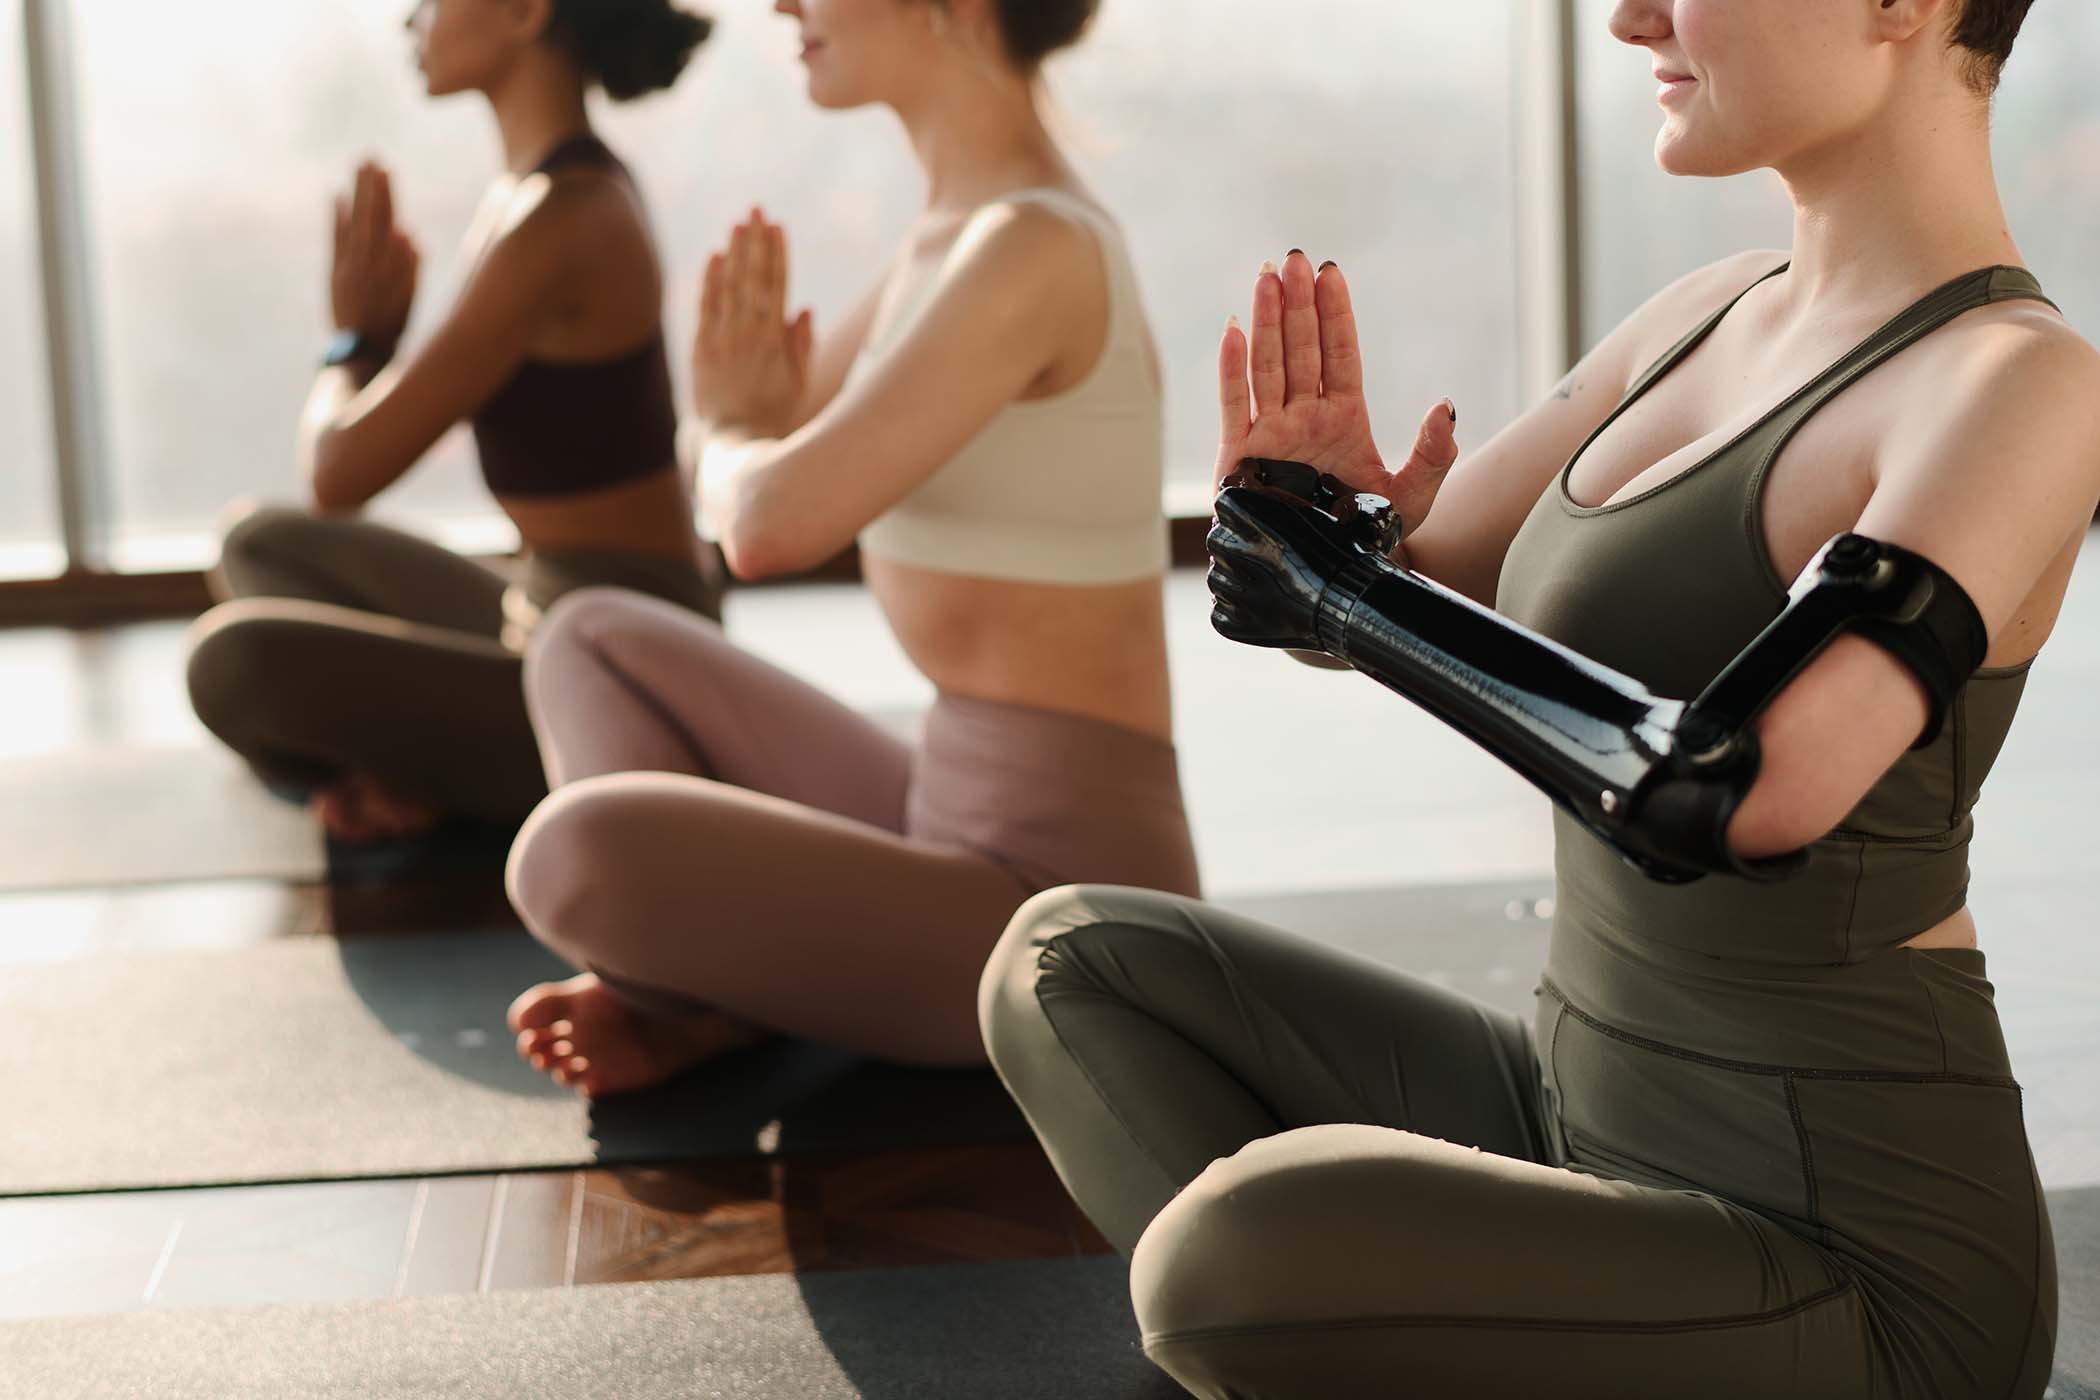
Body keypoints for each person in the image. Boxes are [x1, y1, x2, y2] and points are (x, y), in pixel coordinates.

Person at [981, 1, 2096, 1395]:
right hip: (1575, 1112)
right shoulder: (1705, 315)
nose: (1629, 16)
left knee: (1225, 1257)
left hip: (1851, 1253)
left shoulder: (2021, 385)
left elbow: (1737, 785)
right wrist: (1313, 517)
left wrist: (1340, 589)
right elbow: (1404, 600)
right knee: (1066, 962)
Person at [501, 0, 1201, 1095]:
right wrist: (738, 437)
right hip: (943, 804)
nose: (782, 3)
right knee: (588, 637)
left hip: (1065, 913)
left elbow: (765, 517)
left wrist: (728, 435)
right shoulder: (952, 236)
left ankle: (698, 996)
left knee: (570, 851)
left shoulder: (1036, 246)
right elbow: (755, 468)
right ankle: (702, 993)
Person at [185, 0, 722, 843]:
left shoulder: (563, 218)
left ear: (522, 12)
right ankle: (431, 778)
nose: (410, 20)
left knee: (231, 665)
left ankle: (450, 789)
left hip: (627, 679)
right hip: (542, 612)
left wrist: (358, 342)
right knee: (257, 543)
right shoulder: (534, 194)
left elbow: (340, 474)